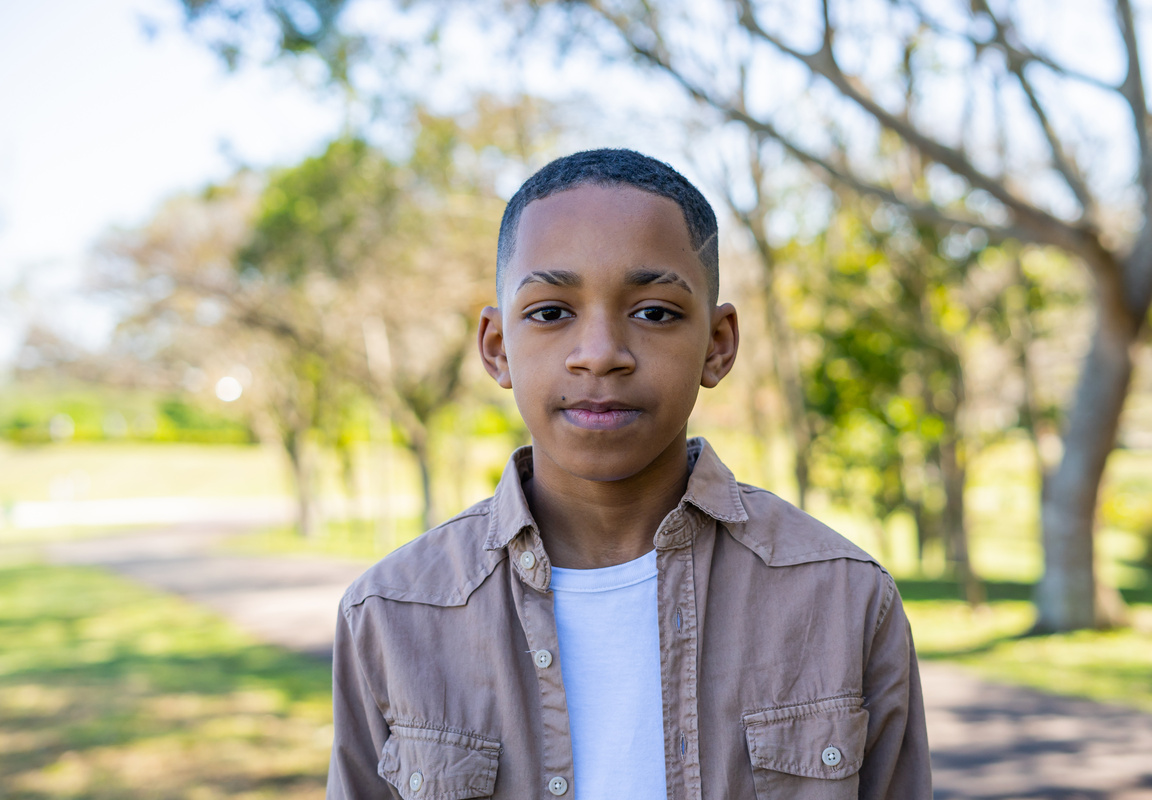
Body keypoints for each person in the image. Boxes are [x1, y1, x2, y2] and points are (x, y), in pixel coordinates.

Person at [326, 148, 932, 799]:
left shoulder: (842, 599)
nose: (601, 355)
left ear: (718, 343)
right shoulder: (391, 616)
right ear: (498, 349)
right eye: (552, 312)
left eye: (654, 313)